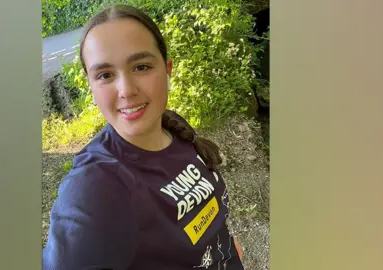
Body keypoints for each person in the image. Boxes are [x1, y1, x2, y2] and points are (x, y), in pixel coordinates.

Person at [43, 4, 245, 270]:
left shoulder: (172, 127)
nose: (126, 90)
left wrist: (229, 246)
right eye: (105, 75)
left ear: (167, 69)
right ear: (91, 88)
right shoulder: (95, 185)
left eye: (141, 67)